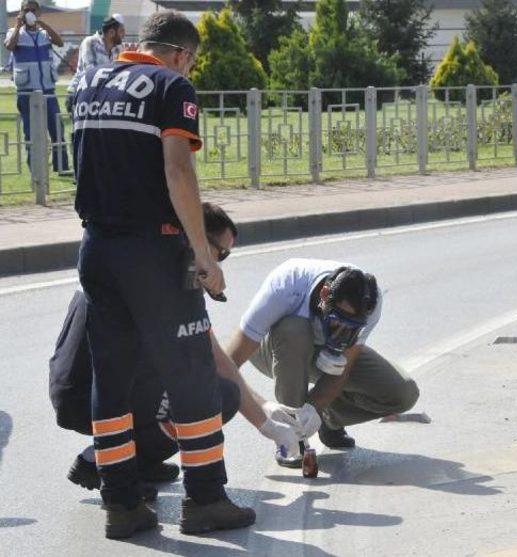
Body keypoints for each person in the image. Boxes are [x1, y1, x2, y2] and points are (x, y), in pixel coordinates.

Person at [73, 11, 254, 539]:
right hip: (154, 251)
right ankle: (205, 500)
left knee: (112, 383)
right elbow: (177, 169)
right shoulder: (172, 86)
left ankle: (123, 507)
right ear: (181, 54)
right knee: (194, 374)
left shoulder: (88, 82)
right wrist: (203, 254)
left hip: (97, 247)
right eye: (191, 61)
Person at [49, 203, 299, 501]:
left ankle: (137, 460)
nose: (220, 263)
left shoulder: (143, 259)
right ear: (195, 236)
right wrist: (267, 426)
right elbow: (213, 361)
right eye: (220, 253)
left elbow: (213, 352)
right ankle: (103, 462)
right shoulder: (169, 277)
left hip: (80, 390)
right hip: (89, 397)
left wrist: (266, 413)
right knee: (217, 395)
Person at [227, 258, 420, 468]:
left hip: (324, 355)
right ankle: (290, 435)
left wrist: (314, 408)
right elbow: (227, 363)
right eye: (339, 320)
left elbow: (342, 367)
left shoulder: (370, 303)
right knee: (294, 329)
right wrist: (263, 410)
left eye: (351, 327)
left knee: (403, 392)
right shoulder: (287, 285)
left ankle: (328, 419)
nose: (342, 332)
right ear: (324, 295)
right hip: (275, 349)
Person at [3, 1, 69, 173]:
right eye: (26, 10)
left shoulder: (43, 33)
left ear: (39, 12)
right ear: (21, 13)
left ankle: (61, 167)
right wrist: (18, 26)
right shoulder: (14, 32)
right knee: (31, 134)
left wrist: (44, 25)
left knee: (57, 130)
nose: (30, 13)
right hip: (27, 92)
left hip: (48, 90)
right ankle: (36, 171)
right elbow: (9, 46)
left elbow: (60, 43)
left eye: (33, 10)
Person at [65, 14, 126, 114]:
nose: (124, 34)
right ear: (111, 32)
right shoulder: (90, 42)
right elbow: (91, 72)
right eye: (121, 31)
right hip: (81, 94)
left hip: (103, 95)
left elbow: (122, 72)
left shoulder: (119, 48)